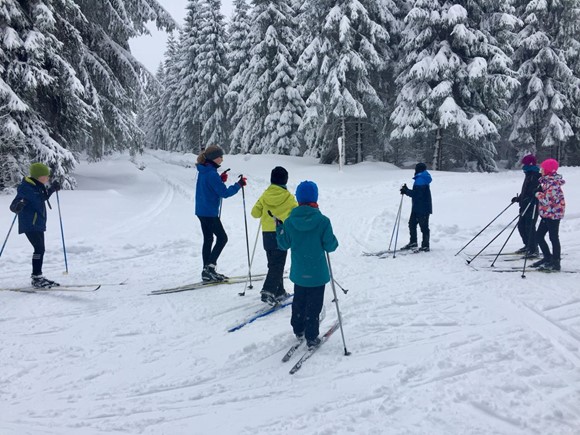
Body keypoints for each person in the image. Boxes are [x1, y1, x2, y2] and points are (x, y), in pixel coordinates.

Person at [276, 181, 338, 349]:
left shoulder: (289, 222)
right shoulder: (323, 221)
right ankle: (311, 336)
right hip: (317, 274)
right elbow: (330, 246)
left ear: (298, 199)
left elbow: (283, 245)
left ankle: (298, 328)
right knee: (314, 305)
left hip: (299, 273)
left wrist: (279, 230)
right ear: (315, 198)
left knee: (299, 301)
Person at [195, 145, 246, 282]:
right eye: (220, 157)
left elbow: (211, 187)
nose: (222, 159)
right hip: (210, 212)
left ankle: (207, 270)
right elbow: (224, 193)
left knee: (208, 239)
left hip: (201, 210)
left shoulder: (204, 170)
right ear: (214, 158)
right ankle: (209, 268)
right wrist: (239, 184)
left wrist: (220, 180)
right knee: (222, 238)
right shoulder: (212, 174)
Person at [9, 163, 61, 288]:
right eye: (45, 176)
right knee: (39, 249)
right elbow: (13, 206)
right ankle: (37, 278)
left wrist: (52, 189)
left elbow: (41, 197)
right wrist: (18, 205)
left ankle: (37, 276)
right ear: (38, 176)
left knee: (40, 249)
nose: (47, 178)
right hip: (30, 223)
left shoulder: (37, 186)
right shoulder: (26, 188)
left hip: (37, 222)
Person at [251, 167, 298, 305]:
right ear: (285, 180)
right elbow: (295, 214)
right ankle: (268, 290)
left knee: (273, 263)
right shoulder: (289, 197)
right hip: (281, 233)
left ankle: (279, 291)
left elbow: (255, 213)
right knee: (278, 264)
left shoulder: (265, 195)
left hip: (267, 234)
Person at [531, 158, 565, 271]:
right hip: (546, 214)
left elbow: (546, 200)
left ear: (548, 170)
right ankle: (547, 257)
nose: (541, 170)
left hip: (554, 215)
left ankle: (556, 262)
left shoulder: (553, 184)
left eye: (543, 168)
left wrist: (537, 194)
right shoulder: (546, 182)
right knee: (539, 236)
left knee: (553, 238)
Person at [511, 154, 540, 257]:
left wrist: (530, 198)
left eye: (525, 164)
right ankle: (528, 245)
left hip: (532, 206)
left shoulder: (536, 175)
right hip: (524, 205)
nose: (523, 166)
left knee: (529, 227)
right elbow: (527, 191)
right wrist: (519, 199)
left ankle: (534, 249)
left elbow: (536, 192)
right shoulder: (528, 174)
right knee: (521, 226)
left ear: (530, 164)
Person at [400, 162, 432, 251]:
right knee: (412, 224)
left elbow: (417, 194)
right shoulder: (421, 178)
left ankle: (425, 245)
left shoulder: (421, 179)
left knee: (423, 226)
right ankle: (415, 243)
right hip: (418, 206)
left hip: (422, 207)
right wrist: (407, 190)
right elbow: (418, 193)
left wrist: (406, 191)